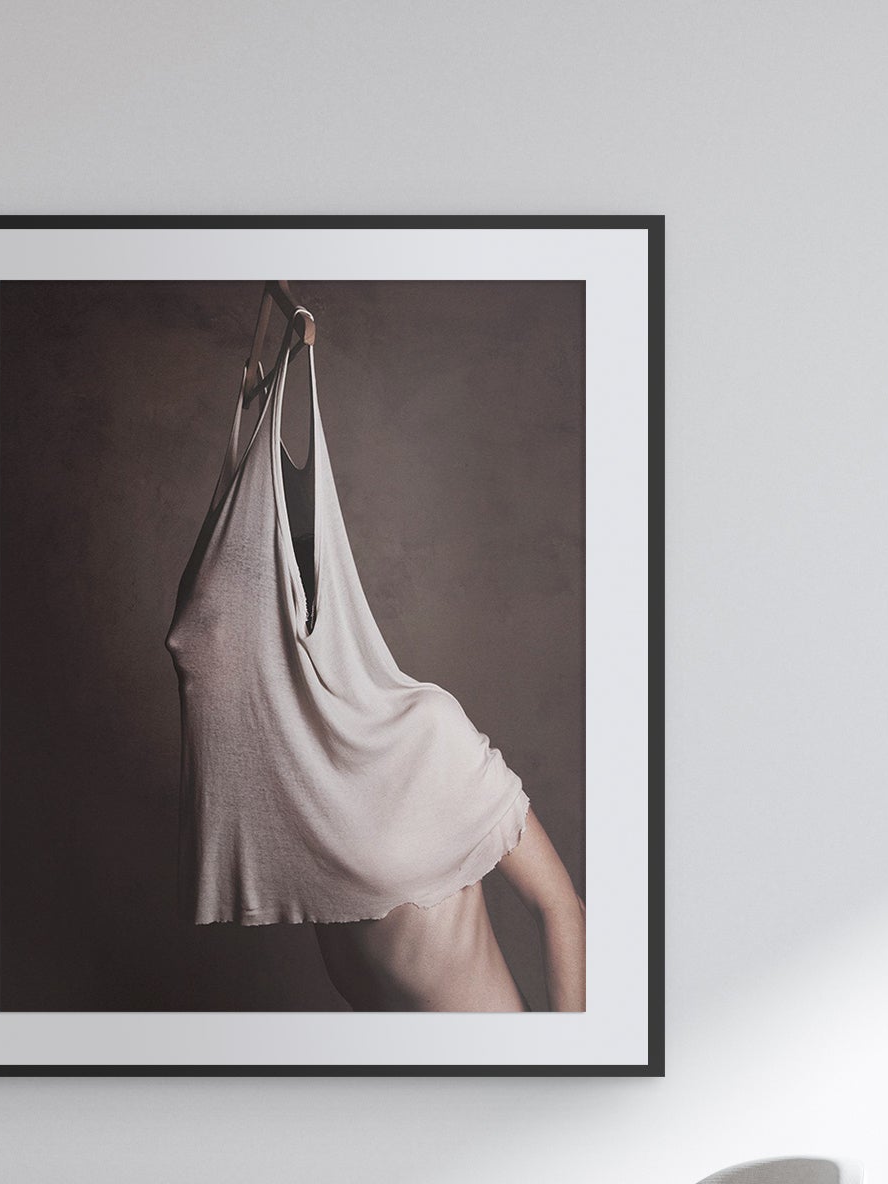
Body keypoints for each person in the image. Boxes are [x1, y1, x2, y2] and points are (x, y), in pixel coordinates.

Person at [170, 288, 586, 1013]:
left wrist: (575, 1082)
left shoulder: (427, 730)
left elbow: (560, 908)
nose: (198, 666)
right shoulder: (303, 798)